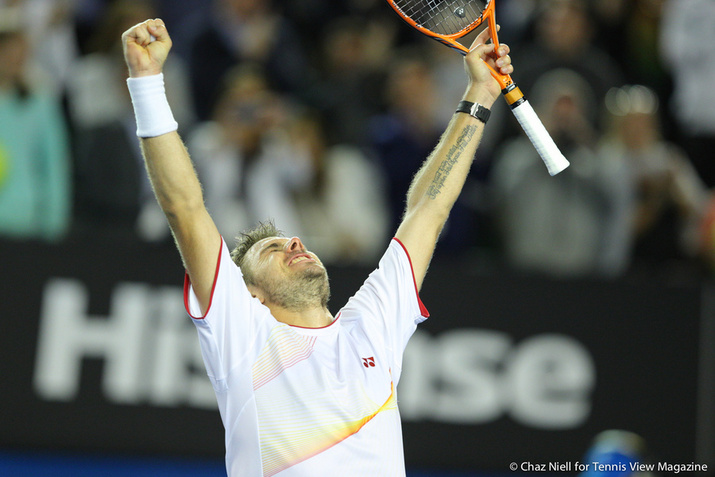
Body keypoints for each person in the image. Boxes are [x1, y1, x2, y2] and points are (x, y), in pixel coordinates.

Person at [121, 18, 512, 476]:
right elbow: (184, 207)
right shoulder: (243, 337)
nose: (293, 243)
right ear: (251, 295)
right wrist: (146, 83)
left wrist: (480, 95)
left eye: (289, 239)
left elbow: (428, 208)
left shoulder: (372, 327)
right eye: (271, 252)